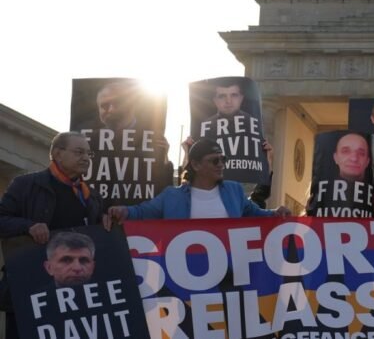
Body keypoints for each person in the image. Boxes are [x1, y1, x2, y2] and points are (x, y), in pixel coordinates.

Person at [0, 132, 107, 336]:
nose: (86, 158)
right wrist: (28, 226)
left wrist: (105, 223)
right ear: (58, 154)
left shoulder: (92, 197)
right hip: (29, 291)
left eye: (88, 153)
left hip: (74, 298)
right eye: (79, 152)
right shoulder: (26, 185)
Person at [106, 139, 291, 222]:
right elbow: (141, 212)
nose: (221, 165)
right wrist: (121, 210)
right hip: (184, 276)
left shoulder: (234, 191)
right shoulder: (172, 196)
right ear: (195, 165)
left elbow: (256, 214)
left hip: (228, 276)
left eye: (223, 159)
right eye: (214, 160)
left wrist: (276, 212)